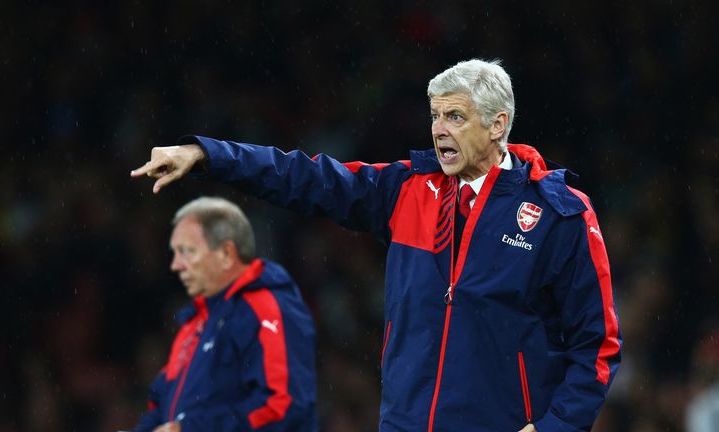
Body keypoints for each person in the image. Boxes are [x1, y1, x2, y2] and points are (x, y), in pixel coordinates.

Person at [132, 59, 622, 432]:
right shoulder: (407, 190)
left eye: (455, 116)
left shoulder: (560, 216)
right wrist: (207, 156)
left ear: (498, 126)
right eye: (435, 115)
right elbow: (303, 176)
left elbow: (596, 346)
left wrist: (555, 427)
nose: (439, 130)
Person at [134, 197, 318, 432]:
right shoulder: (196, 323)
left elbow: (284, 408)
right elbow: (163, 405)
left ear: (226, 253)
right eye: (175, 252)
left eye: (187, 252)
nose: (175, 265)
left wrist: (191, 429)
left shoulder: (266, 307)